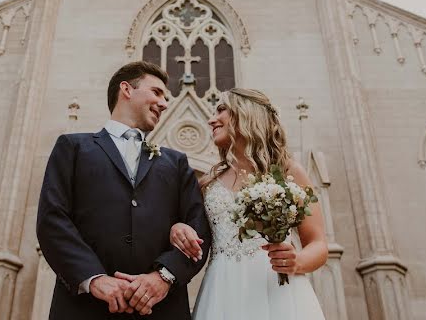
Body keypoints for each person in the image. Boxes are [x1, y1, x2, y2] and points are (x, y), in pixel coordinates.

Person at [37, 61, 211, 319]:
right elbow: (52, 219)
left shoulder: (176, 162)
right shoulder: (73, 147)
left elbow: (199, 228)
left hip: (160, 309)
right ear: (127, 89)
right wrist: (94, 279)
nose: (164, 103)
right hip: (84, 308)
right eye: (157, 92)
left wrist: (163, 277)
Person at [170, 88, 328, 319]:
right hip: (222, 291)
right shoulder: (207, 183)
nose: (211, 119)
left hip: (277, 288)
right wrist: (177, 228)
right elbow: (191, 230)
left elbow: (318, 244)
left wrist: (297, 262)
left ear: (247, 114)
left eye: (221, 109)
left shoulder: (288, 172)